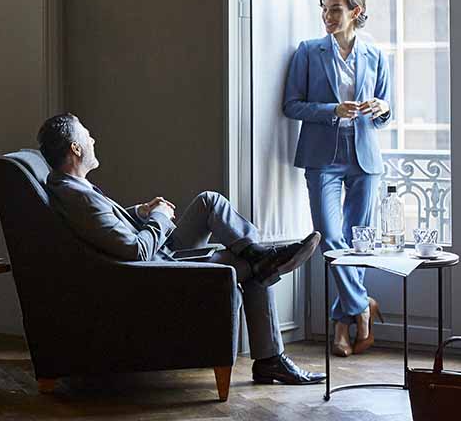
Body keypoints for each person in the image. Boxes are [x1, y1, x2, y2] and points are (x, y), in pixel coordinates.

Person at [36, 113, 325, 385]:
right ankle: (270, 353)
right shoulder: (76, 196)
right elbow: (136, 252)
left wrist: (141, 211)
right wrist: (160, 217)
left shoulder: (68, 186)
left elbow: (103, 225)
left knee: (210, 202)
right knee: (253, 268)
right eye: (87, 136)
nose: (93, 140)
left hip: (155, 252)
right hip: (152, 269)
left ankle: (259, 255)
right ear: (75, 148)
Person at [282, 0, 393, 358]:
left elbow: (384, 111)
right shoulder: (308, 52)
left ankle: (342, 327)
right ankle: (362, 306)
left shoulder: (375, 53)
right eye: (324, 9)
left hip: (364, 156)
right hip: (321, 155)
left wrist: (381, 109)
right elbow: (291, 105)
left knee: (357, 243)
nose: (327, 17)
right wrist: (331, 110)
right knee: (331, 239)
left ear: (355, 12)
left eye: (335, 10)